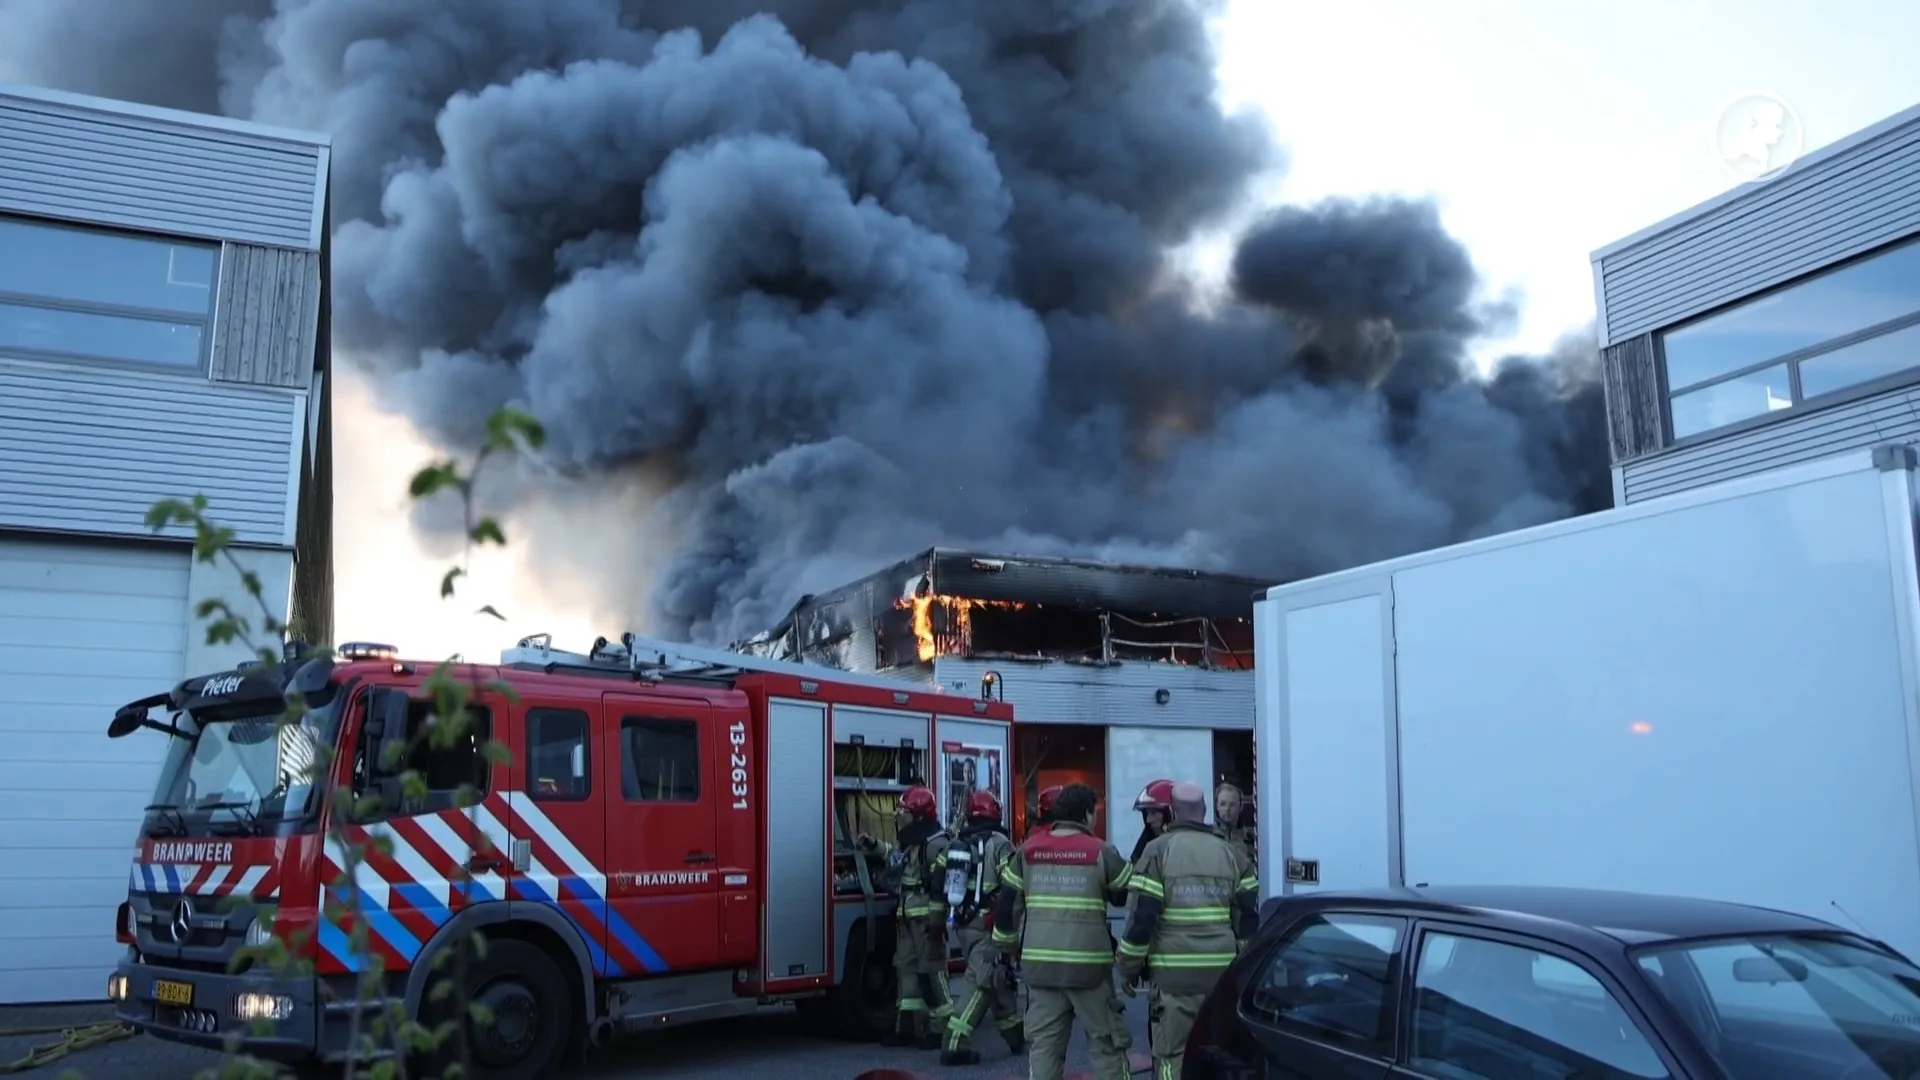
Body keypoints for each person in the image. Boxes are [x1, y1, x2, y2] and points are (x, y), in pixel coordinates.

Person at [1117, 781, 1259, 1080]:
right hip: (1221, 975)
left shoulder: (1157, 851)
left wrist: (1128, 968)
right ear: (1206, 811)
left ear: (1173, 813)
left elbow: (1142, 919)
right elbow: (1247, 919)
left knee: (1172, 1056)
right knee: (1218, 1055)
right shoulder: (1233, 855)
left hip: (1173, 977)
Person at [993, 783, 1133, 1080]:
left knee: (1044, 1048)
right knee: (1107, 1044)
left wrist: (1007, 949)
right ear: (1086, 814)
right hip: (1089, 970)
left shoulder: (1027, 851)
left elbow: (1006, 905)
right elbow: (1124, 893)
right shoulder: (1101, 850)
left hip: (1040, 969)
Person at [941, 789, 1026, 1065]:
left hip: (964, 925)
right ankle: (954, 1044)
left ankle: (1017, 1038)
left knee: (998, 981)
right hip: (989, 926)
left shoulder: (959, 841)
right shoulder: (999, 842)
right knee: (982, 984)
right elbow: (1011, 885)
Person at [881, 785, 955, 1049]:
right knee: (906, 971)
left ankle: (941, 1030)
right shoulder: (914, 841)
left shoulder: (936, 843)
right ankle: (908, 1029)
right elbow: (898, 859)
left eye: (906, 812)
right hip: (907, 918)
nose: (901, 816)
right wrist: (876, 847)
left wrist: (937, 921)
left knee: (932, 973)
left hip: (926, 920)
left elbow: (941, 885)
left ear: (920, 815)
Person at [1214, 782, 1256, 872]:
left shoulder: (1251, 840)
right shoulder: (1209, 836)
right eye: (1223, 804)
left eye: (1232, 804)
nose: (1227, 809)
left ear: (1240, 807)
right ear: (1217, 806)